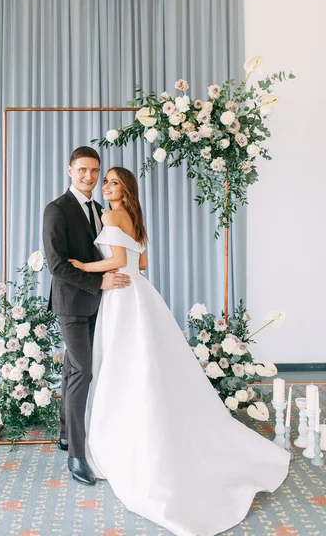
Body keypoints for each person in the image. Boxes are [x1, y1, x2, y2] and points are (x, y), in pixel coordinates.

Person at [68, 166, 290, 536]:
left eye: (113, 182)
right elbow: (142, 263)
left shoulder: (110, 214)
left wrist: (83, 265)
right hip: (140, 294)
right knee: (141, 365)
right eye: (104, 181)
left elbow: (120, 263)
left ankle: (120, 442)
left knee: (122, 368)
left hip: (122, 296)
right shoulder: (135, 218)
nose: (106, 186)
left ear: (125, 189)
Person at [42, 147, 131, 486]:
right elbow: (57, 264)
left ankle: (66, 434)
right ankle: (77, 455)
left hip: (99, 304)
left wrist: (103, 284)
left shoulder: (100, 208)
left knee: (71, 367)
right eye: (82, 170)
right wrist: (99, 281)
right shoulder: (57, 209)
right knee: (83, 370)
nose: (90, 177)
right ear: (70, 170)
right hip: (71, 304)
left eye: (95, 171)